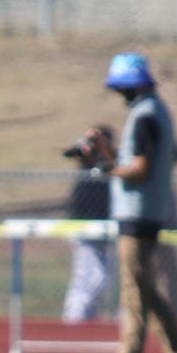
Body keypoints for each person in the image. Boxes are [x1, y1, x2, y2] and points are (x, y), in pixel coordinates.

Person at [86, 53, 177, 353]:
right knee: (136, 295)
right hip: (149, 211)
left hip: (137, 214)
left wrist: (107, 167)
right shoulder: (159, 111)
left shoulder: (144, 115)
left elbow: (139, 169)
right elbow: (173, 154)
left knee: (141, 290)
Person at [59, 125, 115, 323]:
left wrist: (103, 149)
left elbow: (114, 164)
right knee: (90, 276)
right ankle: (74, 319)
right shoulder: (87, 161)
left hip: (104, 226)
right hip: (82, 226)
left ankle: (85, 318)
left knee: (101, 278)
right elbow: (69, 153)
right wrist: (86, 148)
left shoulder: (111, 161)